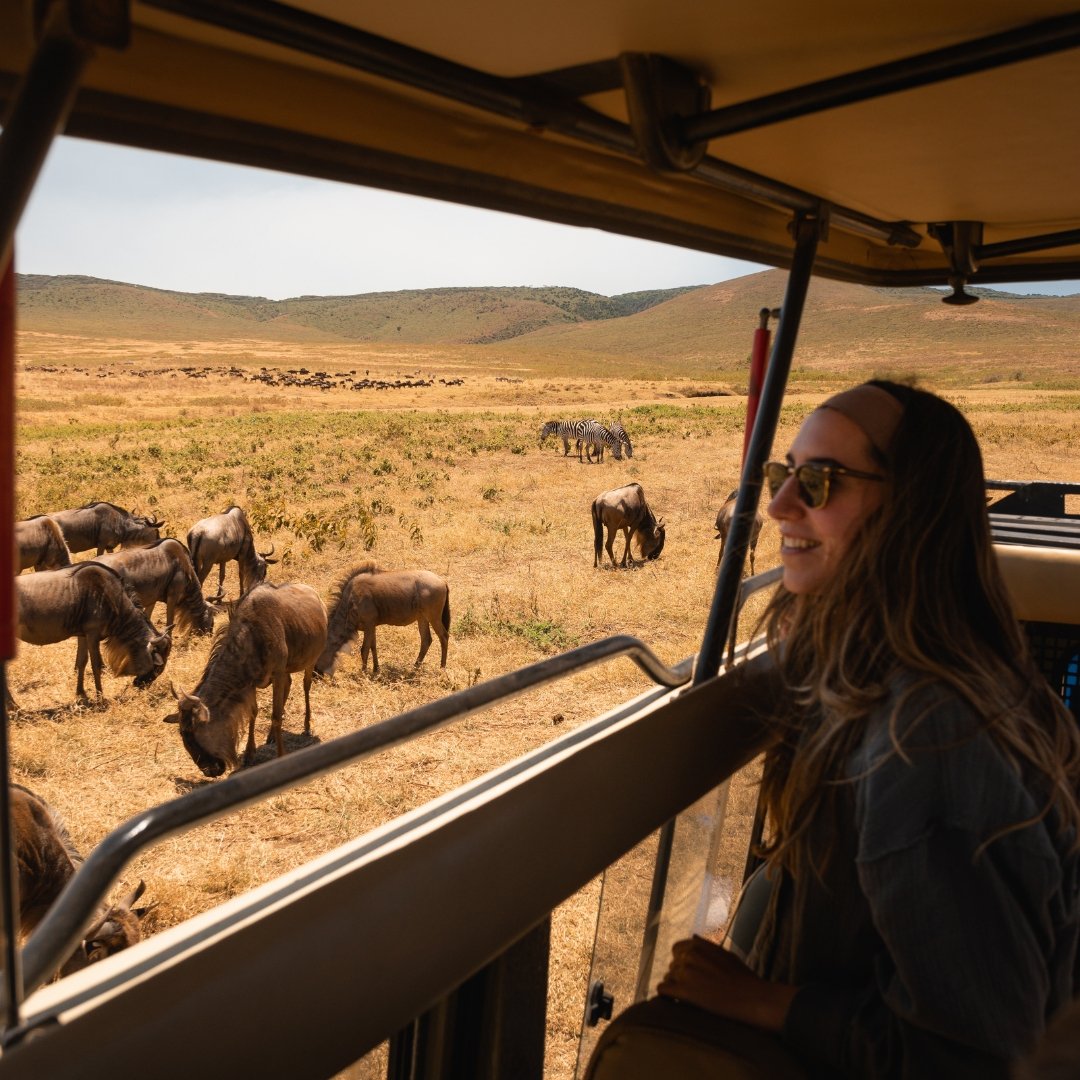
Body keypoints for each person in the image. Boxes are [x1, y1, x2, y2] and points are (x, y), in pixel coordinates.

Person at [587, 380, 1080, 1079]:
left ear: (915, 512)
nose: (780, 504)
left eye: (818, 481)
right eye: (782, 474)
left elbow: (973, 1059)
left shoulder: (926, 744)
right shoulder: (904, 678)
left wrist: (765, 1002)